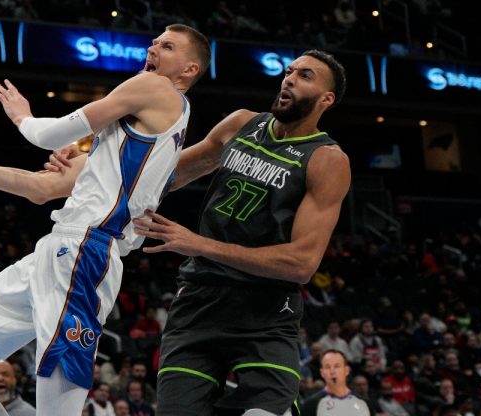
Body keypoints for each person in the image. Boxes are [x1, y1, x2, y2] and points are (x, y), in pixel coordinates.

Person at [0, 23, 210, 415]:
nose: (153, 47)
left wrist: (22, 116)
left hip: (85, 255)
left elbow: (50, 133)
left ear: (189, 70)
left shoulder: (158, 88)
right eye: (155, 41)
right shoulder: (129, 143)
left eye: (167, 45)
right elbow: (38, 188)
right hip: (55, 252)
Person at [133, 49, 350, 415]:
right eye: (289, 71)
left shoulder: (327, 159)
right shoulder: (242, 123)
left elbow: (301, 264)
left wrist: (200, 244)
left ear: (326, 99)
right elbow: (165, 175)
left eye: (305, 76)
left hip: (264, 309)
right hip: (199, 300)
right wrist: (84, 170)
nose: (290, 79)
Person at [302, 350, 372, 416]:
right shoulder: (311, 405)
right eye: (328, 367)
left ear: (346, 370)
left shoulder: (365, 403)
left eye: (337, 366)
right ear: (322, 372)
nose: (332, 371)